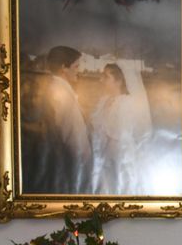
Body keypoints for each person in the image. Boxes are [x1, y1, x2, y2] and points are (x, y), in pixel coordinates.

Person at [26, 45, 91, 193]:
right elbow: (75, 140)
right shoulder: (63, 94)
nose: (79, 70)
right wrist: (86, 169)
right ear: (64, 68)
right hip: (68, 168)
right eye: (76, 66)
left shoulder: (51, 88)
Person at [88, 61, 153, 195]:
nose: (101, 80)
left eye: (106, 77)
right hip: (103, 154)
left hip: (120, 156)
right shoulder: (104, 100)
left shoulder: (127, 103)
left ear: (119, 81)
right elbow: (96, 127)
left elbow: (119, 132)